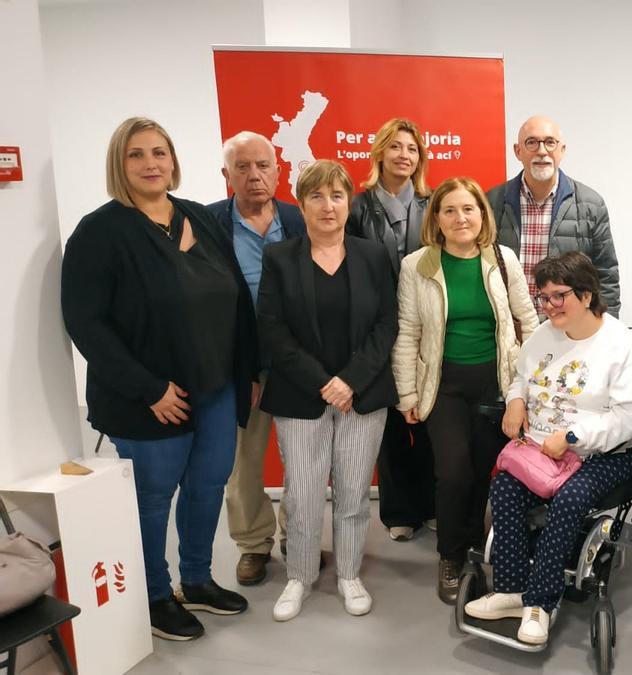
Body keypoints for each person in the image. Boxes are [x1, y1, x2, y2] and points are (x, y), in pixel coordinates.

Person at [61, 117, 258, 641]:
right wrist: (149, 388)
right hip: (150, 397)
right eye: (136, 155)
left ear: (173, 161)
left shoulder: (198, 216)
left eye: (159, 153)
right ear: (118, 165)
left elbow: (236, 295)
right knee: (153, 497)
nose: (151, 163)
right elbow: (86, 322)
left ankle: (196, 580)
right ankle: (152, 595)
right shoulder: (99, 232)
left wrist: (247, 370)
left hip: (216, 386)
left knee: (208, 486)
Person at [464, 252, 632, 645]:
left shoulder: (619, 344)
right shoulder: (543, 335)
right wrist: (514, 401)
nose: (549, 306)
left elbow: (626, 418)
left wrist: (573, 437)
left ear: (587, 293)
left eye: (558, 296)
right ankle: (511, 590)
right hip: (543, 452)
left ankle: (540, 604)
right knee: (506, 489)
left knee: (569, 500)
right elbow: (520, 380)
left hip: (604, 454)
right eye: (543, 297)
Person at [257, 160, 398, 621]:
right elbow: (273, 331)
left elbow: (386, 325)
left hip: (363, 395)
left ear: (349, 202)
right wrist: (323, 382)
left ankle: (349, 574)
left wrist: (350, 381)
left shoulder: (373, 256)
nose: (327, 205)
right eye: (315, 196)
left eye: (337, 196)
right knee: (301, 492)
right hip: (302, 396)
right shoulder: (280, 258)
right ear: (301, 204)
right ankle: (298, 575)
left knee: (355, 492)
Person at [393, 176, 539, 604]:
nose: (461, 218)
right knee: (453, 472)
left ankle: (476, 547)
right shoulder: (417, 266)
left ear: (482, 215)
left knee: (483, 473)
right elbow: (407, 333)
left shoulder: (502, 258)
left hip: (497, 386)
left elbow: (527, 321)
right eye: (450, 210)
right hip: (443, 387)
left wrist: (532, 387)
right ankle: (451, 556)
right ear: (436, 218)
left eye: (469, 209)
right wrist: (407, 396)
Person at [208, 131, 306, 586]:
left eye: (263, 165)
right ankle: (252, 545)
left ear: (279, 170)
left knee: (301, 460)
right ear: (226, 175)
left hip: (296, 364)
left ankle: (297, 538)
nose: (254, 176)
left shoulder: (301, 219)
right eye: (242, 167)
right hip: (240, 367)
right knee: (244, 464)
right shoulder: (208, 226)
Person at [345, 118, 436, 542]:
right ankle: (399, 510)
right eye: (396, 147)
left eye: (412, 149)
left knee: (432, 419)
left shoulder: (432, 203)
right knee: (392, 425)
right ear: (379, 152)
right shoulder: (357, 206)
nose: (404, 155)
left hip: (426, 325)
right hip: (378, 325)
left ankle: (433, 504)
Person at [486, 115, 620, 317]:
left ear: (562, 150)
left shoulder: (590, 205)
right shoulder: (491, 202)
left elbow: (606, 275)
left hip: (568, 329)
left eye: (550, 142)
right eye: (532, 142)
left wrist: (606, 332)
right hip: (510, 329)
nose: (541, 151)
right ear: (518, 151)